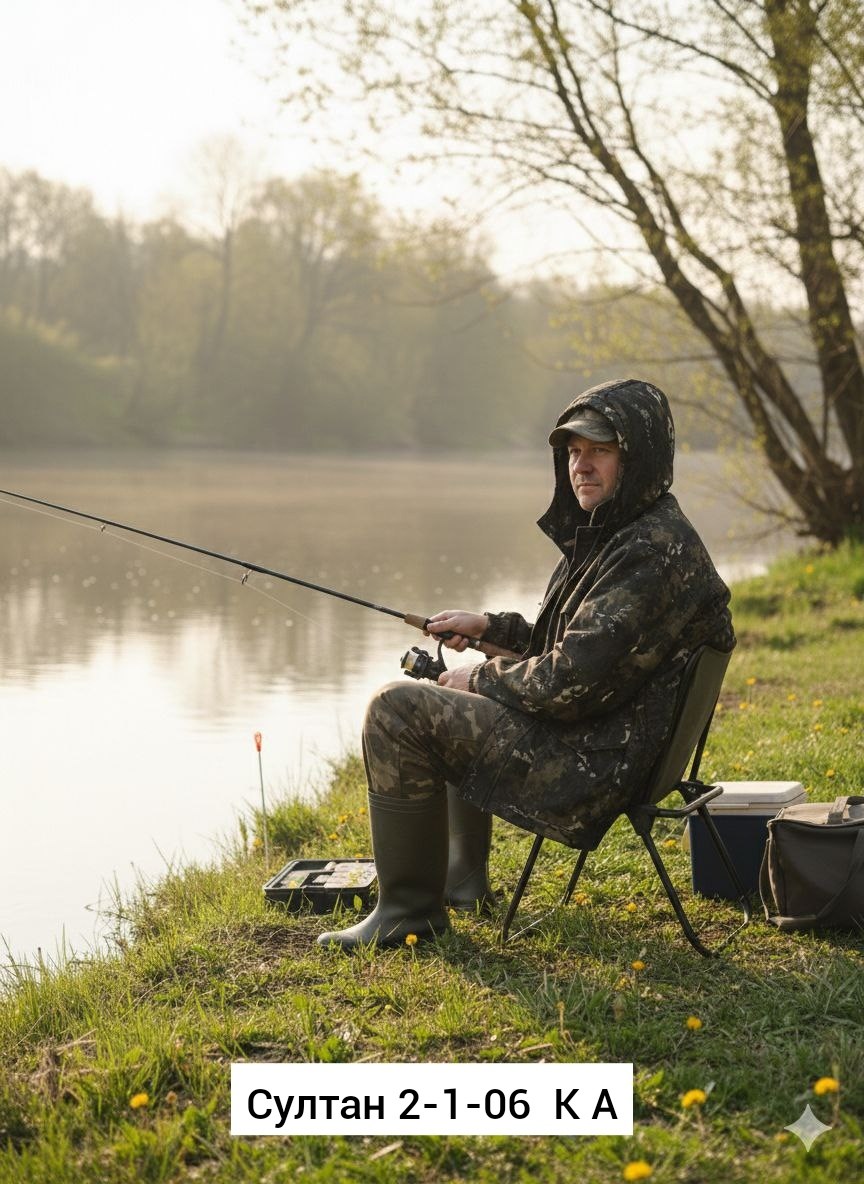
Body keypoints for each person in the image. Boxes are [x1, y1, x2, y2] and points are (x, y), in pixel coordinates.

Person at [317, 377, 735, 949]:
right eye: (573, 452)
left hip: (594, 767)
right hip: (607, 743)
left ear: (638, 459)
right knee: (455, 695)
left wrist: (480, 676)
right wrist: (490, 629)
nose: (581, 466)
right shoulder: (626, 532)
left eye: (600, 451)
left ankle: (409, 914)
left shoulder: (650, 551)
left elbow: (571, 681)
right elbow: (576, 645)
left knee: (397, 710)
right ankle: (462, 887)